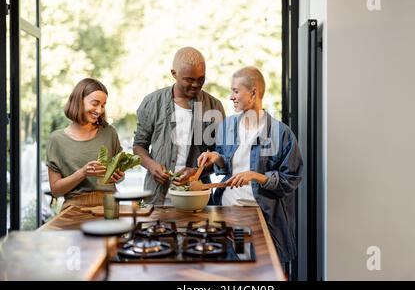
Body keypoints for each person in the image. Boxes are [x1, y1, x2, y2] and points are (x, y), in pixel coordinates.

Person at [198, 66, 303, 272]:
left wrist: (256, 176)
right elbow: (227, 165)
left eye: (236, 91)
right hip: (226, 215)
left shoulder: (281, 133)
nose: (231, 97)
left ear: (253, 93)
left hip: (262, 220)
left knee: (262, 276)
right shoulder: (227, 126)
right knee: (228, 276)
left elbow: (291, 179)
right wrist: (216, 157)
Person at [133, 47, 226, 204]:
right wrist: (151, 165)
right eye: (189, 79)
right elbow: (138, 146)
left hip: (197, 199)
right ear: (174, 74)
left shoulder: (213, 106)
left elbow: (222, 157)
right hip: (157, 199)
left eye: (201, 79)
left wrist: (197, 172)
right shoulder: (152, 103)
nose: (196, 85)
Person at [47, 78, 125, 210]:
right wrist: (83, 173)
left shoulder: (109, 133)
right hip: (74, 208)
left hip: (109, 207)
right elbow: (56, 191)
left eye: (103, 105)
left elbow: (119, 175)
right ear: (78, 101)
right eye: (95, 103)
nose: (99, 110)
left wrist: (119, 175)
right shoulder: (57, 139)